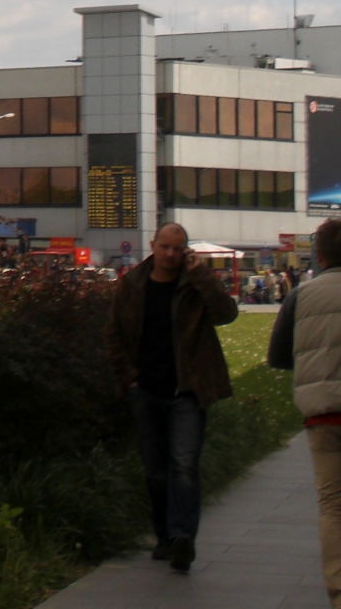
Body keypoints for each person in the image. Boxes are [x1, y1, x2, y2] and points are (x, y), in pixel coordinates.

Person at [106, 222, 239, 574]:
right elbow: (114, 332)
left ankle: (183, 538)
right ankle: (164, 536)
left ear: (186, 251)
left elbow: (226, 314)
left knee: (184, 466)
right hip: (146, 390)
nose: (170, 254)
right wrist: (129, 377)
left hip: (187, 391)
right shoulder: (133, 284)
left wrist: (203, 278)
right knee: (155, 472)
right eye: (165, 247)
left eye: (178, 249)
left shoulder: (193, 284)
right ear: (154, 245)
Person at [268, 217, 341, 607]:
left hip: (323, 414)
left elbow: (277, 355)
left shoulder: (302, 295)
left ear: (320, 253)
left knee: (333, 505)